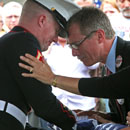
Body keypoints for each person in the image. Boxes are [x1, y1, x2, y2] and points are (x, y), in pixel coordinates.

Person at [18, 6, 130, 128]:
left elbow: (107, 86)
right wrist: (100, 116)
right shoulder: (107, 67)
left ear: (99, 36)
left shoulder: (127, 54)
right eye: (71, 47)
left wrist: (52, 78)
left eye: (77, 45)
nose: (74, 53)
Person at [0, 0, 81, 130]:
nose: (55, 39)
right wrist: (74, 122)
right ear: (42, 20)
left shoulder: (13, 39)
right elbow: (44, 104)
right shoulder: (24, 41)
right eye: (56, 31)